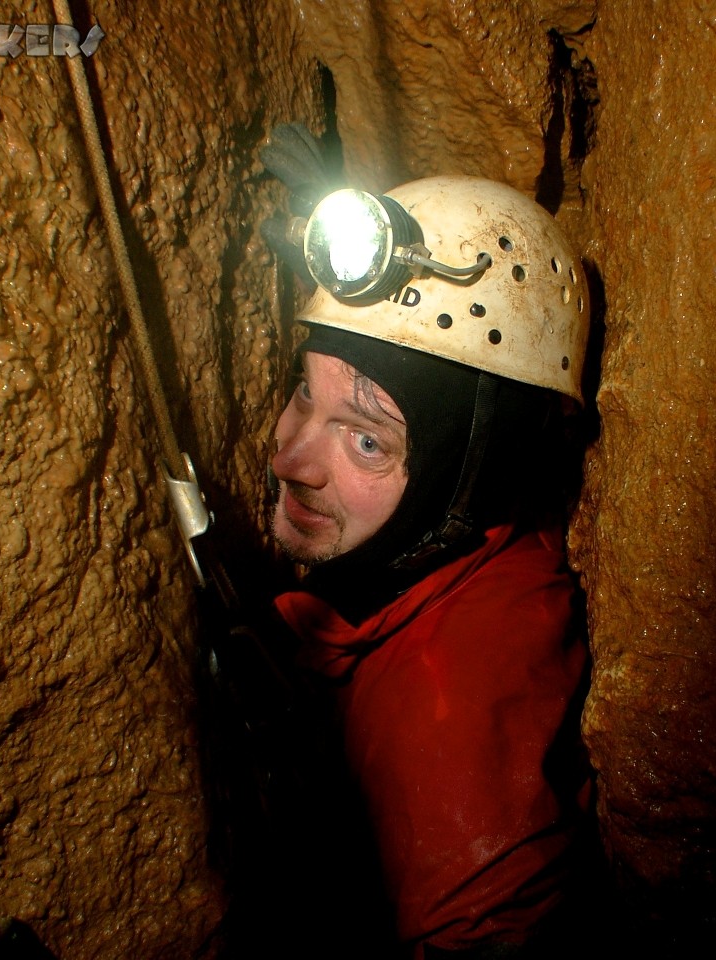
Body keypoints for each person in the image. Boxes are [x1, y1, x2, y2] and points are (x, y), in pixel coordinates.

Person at [254, 173, 601, 958]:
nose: (291, 455)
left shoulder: (451, 739)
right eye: (304, 395)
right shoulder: (436, 564)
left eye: (367, 439)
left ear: (469, 474)